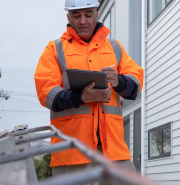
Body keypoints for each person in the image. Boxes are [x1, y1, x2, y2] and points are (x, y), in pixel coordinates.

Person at [34, 0, 144, 180]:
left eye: (88, 15)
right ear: (68, 17)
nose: (82, 21)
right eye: (76, 16)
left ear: (96, 14)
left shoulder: (115, 48)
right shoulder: (55, 49)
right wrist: (80, 97)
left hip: (113, 150)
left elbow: (136, 83)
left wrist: (119, 81)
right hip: (71, 150)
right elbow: (46, 93)